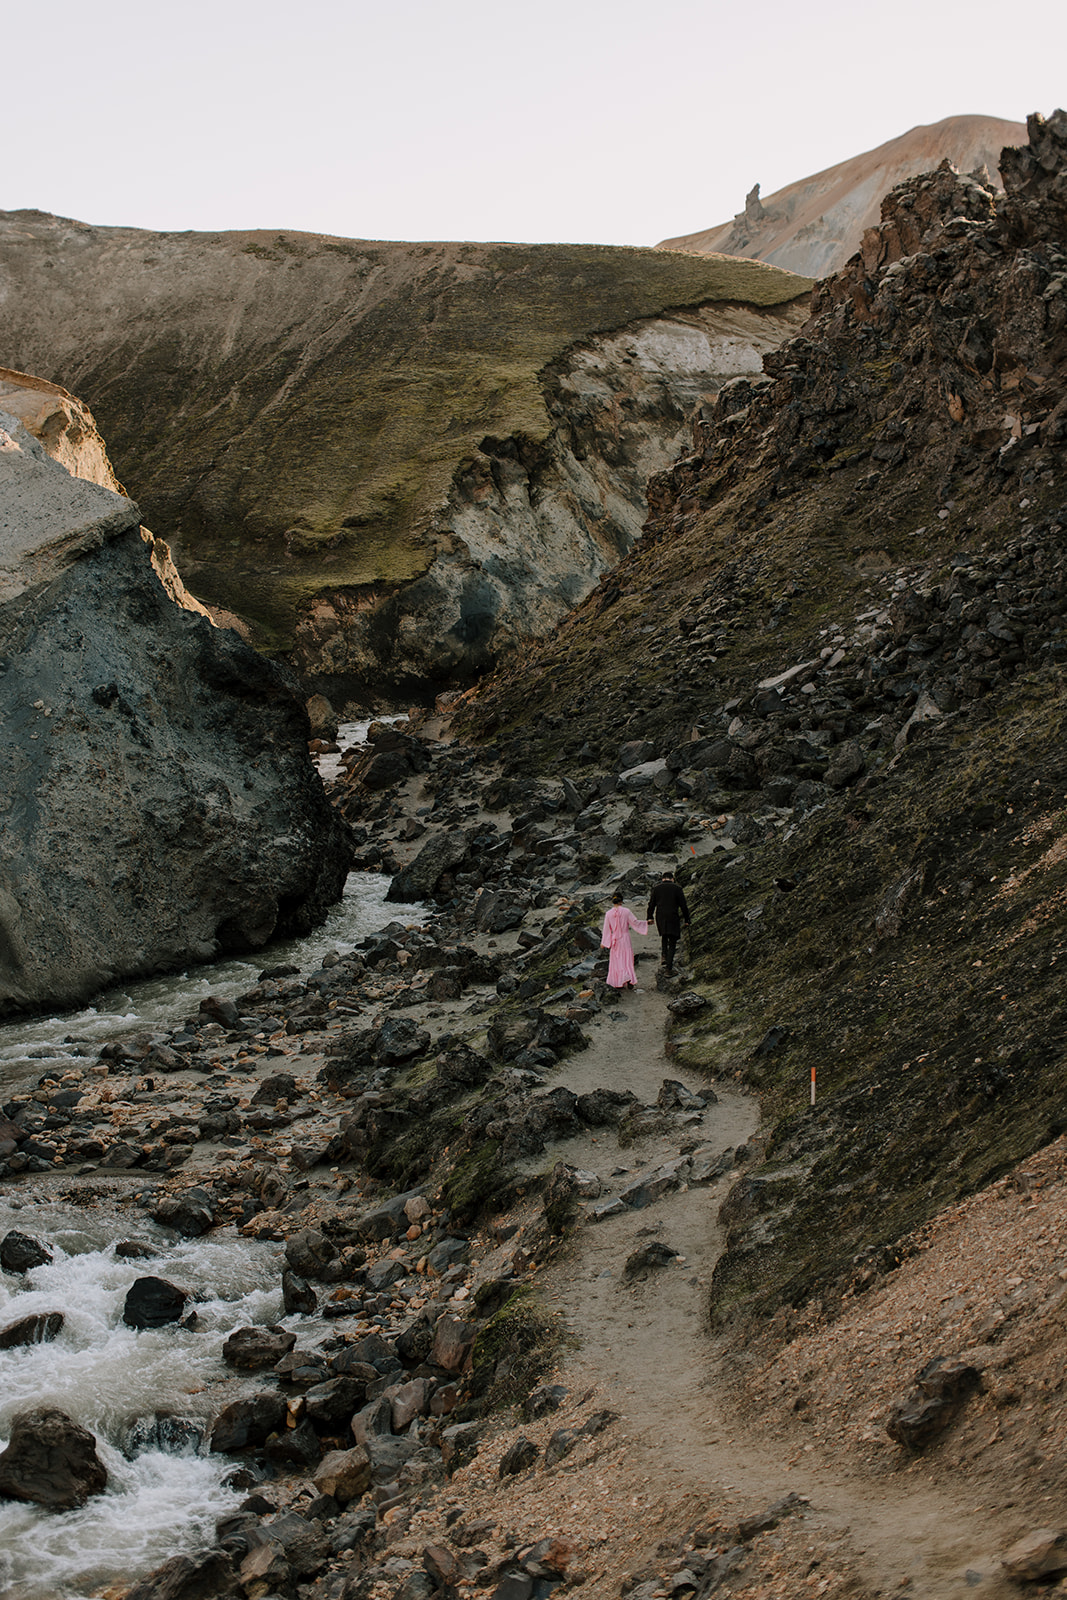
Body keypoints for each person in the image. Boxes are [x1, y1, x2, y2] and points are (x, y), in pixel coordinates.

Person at [600, 891, 649, 990]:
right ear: (621, 901)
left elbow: (606, 929)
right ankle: (629, 978)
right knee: (627, 959)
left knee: (616, 960)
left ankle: (618, 981)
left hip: (615, 940)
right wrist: (646, 923)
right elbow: (635, 922)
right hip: (625, 937)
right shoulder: (626, 911)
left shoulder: (608, 914)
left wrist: (604, 942)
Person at [646, 870, 691, 976]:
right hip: (673, 916)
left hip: (660, 917)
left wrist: (649, 917)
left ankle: (664, 956)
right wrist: (687, 919)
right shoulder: (677, 888)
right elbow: (683, 906)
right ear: (672, 879)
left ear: (663, 879)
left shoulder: (656, 888)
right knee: (672, 942)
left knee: (664, 935)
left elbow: (651, 904)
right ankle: (668, 969)